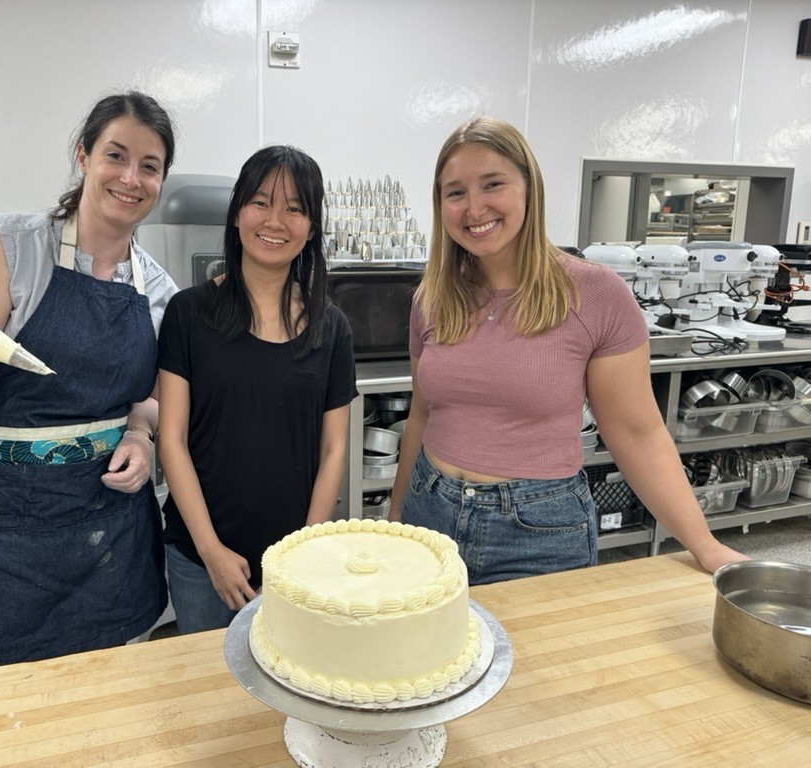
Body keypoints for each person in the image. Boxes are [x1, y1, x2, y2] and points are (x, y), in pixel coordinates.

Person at [0, 91, 179, 674]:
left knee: (103, 689)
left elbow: (148, 394)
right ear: (83, 156)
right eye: (115, 156)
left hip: (103, 525)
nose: (130, 177)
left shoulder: (155, 288)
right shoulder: (10, 247)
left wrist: (141, 436)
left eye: (149, 166)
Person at [389, 116, 748, 584]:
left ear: (528, 188)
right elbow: (422, 413)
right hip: (429, 509)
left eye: (492, 184)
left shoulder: (595, 295)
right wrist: (397, 518)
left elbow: (637, 432)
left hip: (536, 530)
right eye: (455, 192)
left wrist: (705, 546)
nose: (474, 208)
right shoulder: (432, 297)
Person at [157, 145, 356, 633]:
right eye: (261, 202)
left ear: (311, 227)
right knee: (206, 691)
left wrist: (301, 555)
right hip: (200, 558)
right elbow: (172, 439)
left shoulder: (332, 328)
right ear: (238, 212)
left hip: (292, 560)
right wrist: (211, 551)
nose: (275, 220)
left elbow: (333, 450)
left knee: (287, 691)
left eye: (295, 208)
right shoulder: (189, 314)